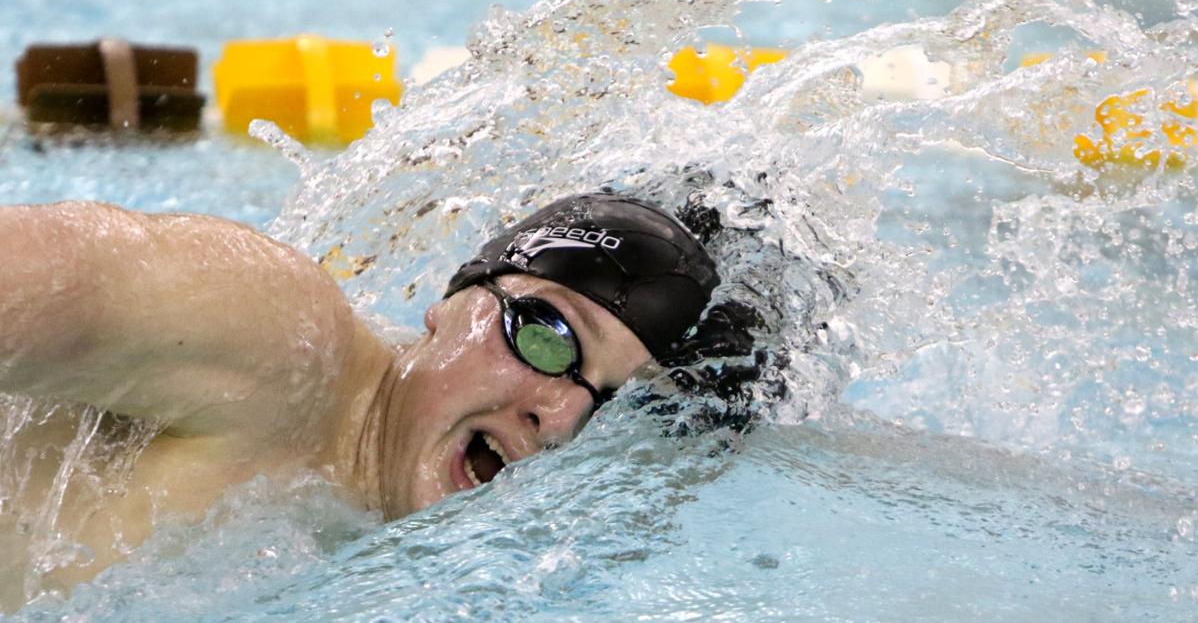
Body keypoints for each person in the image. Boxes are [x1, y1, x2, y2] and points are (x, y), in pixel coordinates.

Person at [0, 192, 722, 606]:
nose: (562, 417)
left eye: (609, 403)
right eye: (550, 338)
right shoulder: (283, 342)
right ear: (455, 302)